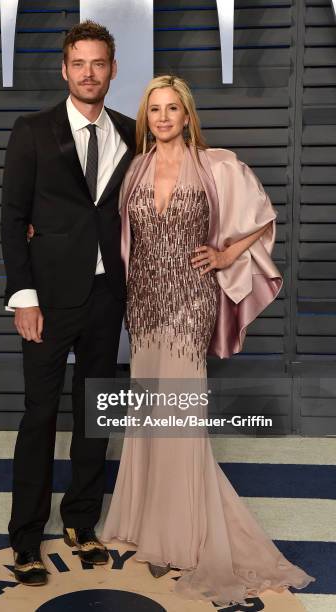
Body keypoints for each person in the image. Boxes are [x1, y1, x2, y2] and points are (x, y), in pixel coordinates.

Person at [101, 75, 315, 605]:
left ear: (187, 114)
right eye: (155, 109)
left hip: (189, 304)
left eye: (173, 108)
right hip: (144, 305)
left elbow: (261, 218)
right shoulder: (135, 169)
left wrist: (223, 256)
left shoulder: (217, 164)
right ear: (146, 117)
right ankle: (143, 519)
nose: (164, 117)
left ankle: (182, 529)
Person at [1, 20, 136, 586]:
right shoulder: (32, 130)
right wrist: (24, 296)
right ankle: (27, 538)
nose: (88, 73)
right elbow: (12, 218)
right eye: (78, 63)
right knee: (40, 415)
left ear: (112, 70)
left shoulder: (135, 132)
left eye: (98, 63)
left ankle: (81, 522)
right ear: (64, 69)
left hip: (109, 296)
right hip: (48, 301)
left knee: (95, 414)